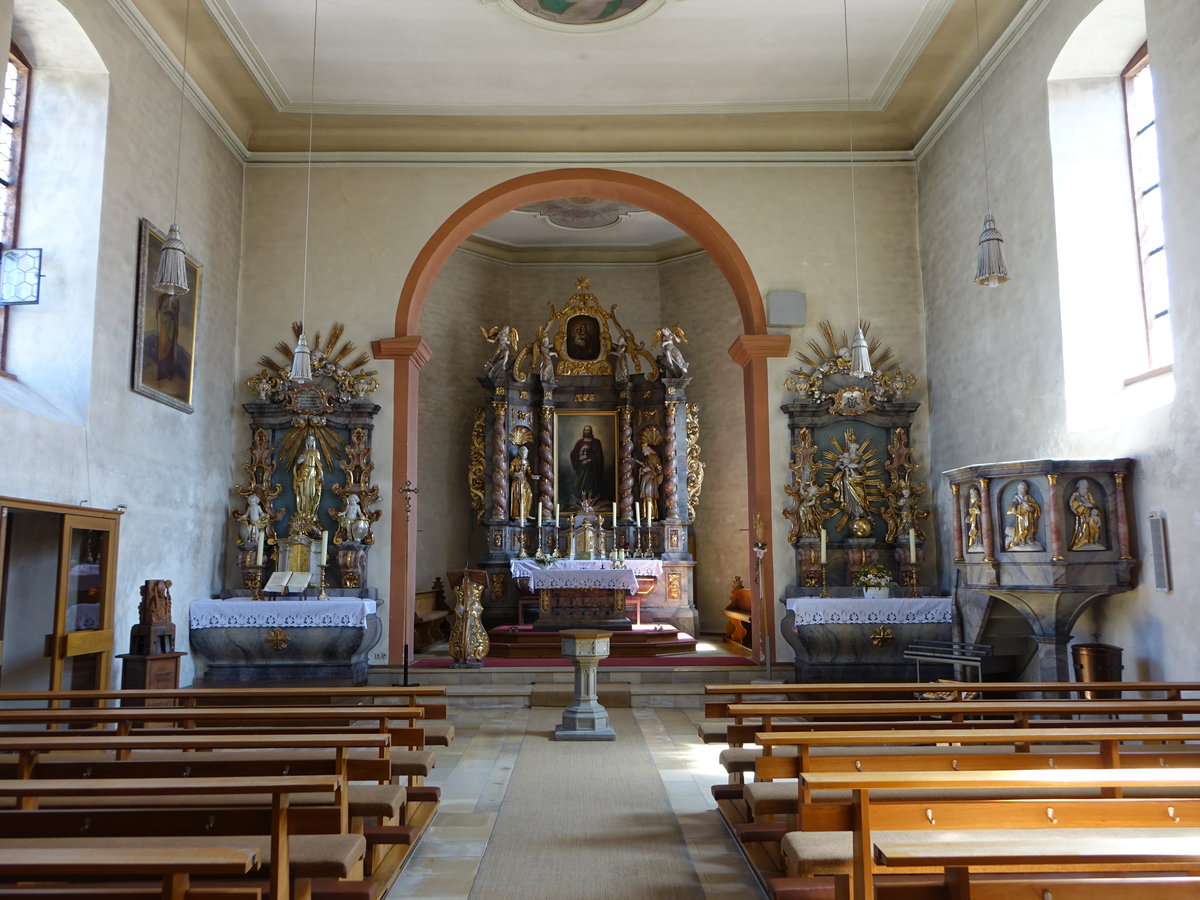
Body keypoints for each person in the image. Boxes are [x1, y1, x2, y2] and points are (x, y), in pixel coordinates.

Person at [569, 424, 604, 505]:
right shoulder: (579, 442)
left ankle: (591, 501)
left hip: (592, 469)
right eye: (585, 430)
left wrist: (590, 459)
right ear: (583, 431)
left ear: (591, 431)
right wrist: (580, 453)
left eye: (588, 430)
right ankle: (581, 501)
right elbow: (573, 454)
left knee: (591, 485)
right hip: (582, 468)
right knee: (581, 484)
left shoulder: (596, 442)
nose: (586, 431)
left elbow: (599, 455)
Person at [293, 434, 323, 523]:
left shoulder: (316, 452)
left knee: (312, 493)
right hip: (304, 474)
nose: (310, 442)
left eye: (312, 440)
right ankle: (303, 515)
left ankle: (311, 515)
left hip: (313, 473)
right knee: (303, 493)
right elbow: (298, 466)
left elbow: (319, 464)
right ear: (307, 442)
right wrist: (299, 462)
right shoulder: (304, 452)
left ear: (314, 442)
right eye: (308, 440)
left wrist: (321, 474)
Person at [1069, 478, 1104, 550]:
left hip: (1091, 514)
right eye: (1083, 485)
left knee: (1093, 528)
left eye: (1086, 486)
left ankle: (1092, 541)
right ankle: (1082, 542)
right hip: (1082, 515)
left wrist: (1091, 505)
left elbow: (1094, 504)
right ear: (1079, 486)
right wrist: (1081, 507)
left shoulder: (1088, 494)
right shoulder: (1075, 495)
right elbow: (1072, 504)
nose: (1085, 487)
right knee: (1084, 528)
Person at [1005, 480, 1041, 549]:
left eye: (1023, 488)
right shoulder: (1016, 497)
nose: (1021, 489)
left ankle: (1029, 539)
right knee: (1021, 528)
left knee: (1029, 527)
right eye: (1020, 488)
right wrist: (1014, 508)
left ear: (1026, 489)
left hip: (1028, 515)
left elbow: (1034, 506)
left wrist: (1029, 507)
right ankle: (1022, 540)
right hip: (1020, 516)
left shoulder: (1029, 497)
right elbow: (1014, 503)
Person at [156, 292, 180, 381]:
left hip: (172, 327)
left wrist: (173, 314)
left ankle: (168, 372)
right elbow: (163, 311)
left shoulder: (175, 299)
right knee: (163, 346)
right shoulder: (163, 298)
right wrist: (167, 313)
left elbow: (176, 311)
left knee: (170, 349)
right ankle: (162, 372)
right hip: (165, 327)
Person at [635, 444, 663, 520]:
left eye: (644, 449)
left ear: (648, 449)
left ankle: (652, 514)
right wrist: (642, 470)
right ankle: (645, 514)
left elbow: (658, 470)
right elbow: (645, 467)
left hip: (651, 479)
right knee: (645, 496)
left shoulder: (655, 457)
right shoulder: (647, 459)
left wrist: (653, 470)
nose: (642, 451)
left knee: (649, 495)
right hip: (646, 478)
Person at [509, 445, 534, 522]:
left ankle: (526, 514)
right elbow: (510, 471)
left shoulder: (526, 461)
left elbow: (528, 471)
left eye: (526, 453)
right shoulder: (514, 461)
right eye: (523, 453)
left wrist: (532, 476)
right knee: (518, 497)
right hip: (517, 482)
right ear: (519, 453)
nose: (524, 455)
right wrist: (515, 474)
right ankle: (516, 514)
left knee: (529, 494)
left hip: (524, 480)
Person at [965, 485, 982, 550]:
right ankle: (976, 543)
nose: (971, 495)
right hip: (974, 523)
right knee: (975, 533)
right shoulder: (972, 504)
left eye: (972, 493)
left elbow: (985, 515)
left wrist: (979, 512)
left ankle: (980, 543)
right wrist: (968, 519)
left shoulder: (980, 503)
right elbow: (971, 515)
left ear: (976, 493)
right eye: (970, 493)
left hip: (980, 522)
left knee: (979, 532)